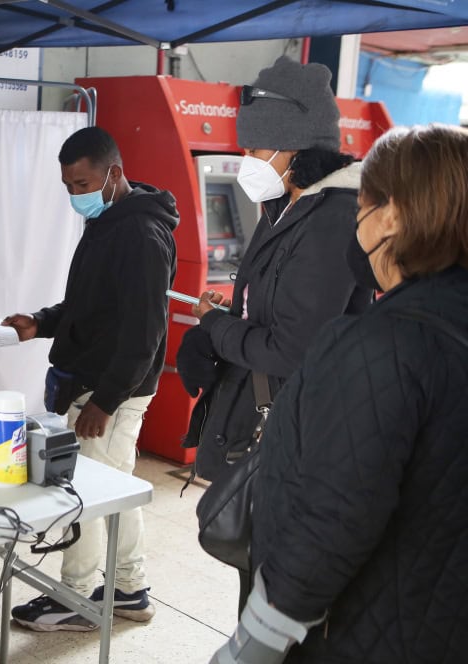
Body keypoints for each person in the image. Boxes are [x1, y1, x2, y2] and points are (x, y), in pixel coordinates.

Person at [212, 124, 468, 663]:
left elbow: (334, 516)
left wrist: (253, 642)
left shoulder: (379, 344)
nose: (355, 223)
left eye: (362, 207)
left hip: (369, 631)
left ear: (391, 216)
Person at [176, 57, 374, 610]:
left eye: (257, 148)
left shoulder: (331, 217)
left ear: (296, 150)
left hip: (298, 429)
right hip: (270, 415)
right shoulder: (285, 207)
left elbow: (291, 348)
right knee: (257, 572)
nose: (248, 159)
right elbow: (276, 310)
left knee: (275, 583)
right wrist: (234, 313)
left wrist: (216, 327)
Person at [2, 126, 178, 631]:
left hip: (109, 389)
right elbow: (88, 306)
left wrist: (105, 400)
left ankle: (73, 597)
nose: (74, 195)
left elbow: (145, 333)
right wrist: (41, 323)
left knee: (85, 492)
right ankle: (128, 589)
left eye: (81, 184)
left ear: (113, 174)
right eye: (68, 186)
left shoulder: (141, 236)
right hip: (98, 382)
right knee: (116, 488)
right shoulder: (106, 223)